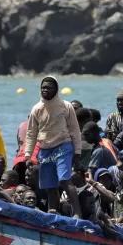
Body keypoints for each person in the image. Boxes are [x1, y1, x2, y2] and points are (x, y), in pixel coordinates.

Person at [24, 76, 83, 217]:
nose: (45, 90)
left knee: (64, 179)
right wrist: (28, 155)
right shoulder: (37, 109)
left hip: (64, 145)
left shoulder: (66, 106)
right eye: (43, 87)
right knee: (50, 186)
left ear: (56, 89)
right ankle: (53, 214)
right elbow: (31, 134)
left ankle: (78, 213)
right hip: (45, 149)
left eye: (49, 87)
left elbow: (75, 130)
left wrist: (77, 153)